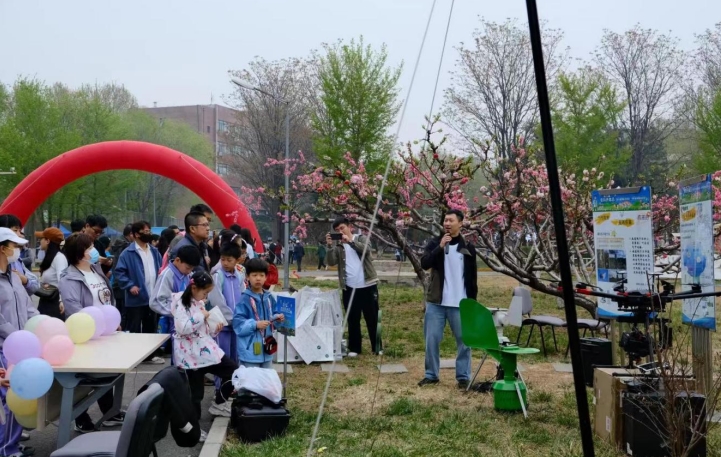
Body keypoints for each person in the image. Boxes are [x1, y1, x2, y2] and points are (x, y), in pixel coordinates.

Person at [58, 233, 124, 432]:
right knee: (83, 380)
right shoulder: (69, 278)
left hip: (105, 332)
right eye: (90, 247)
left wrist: (113, 320)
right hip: (85, 334)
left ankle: (109, 412)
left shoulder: (96, 269)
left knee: (108, 373)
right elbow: (73, 308)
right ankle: (81, 417)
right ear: (79, 253)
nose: (94, 250)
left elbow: (107, 298)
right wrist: (95, 325)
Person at [418, 210, 478, 389]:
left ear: (460, 223)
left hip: (460, 302)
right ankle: (431, 375)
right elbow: (424, 263)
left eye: (451, 220)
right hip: (436, 302)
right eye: (445, 220)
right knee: (432, 339)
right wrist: (440, 247)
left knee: (464, 341)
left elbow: (472, 276)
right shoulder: (435, 243)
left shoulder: (468, 246)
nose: (447, 223)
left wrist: (472, 300)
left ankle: (463, 376)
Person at [172, 270, 237, 426]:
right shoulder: (180, 303)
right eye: (205, 292)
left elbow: (201, 330)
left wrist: (215, 328)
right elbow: (183, 328)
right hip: (190, 356)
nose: (206, 296)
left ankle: (220, 403)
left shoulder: (199, 303)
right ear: (194, 289)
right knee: (195, 394)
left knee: (234, 371)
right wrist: (203, 316)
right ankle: (194, 428)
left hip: (205, 351)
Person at [0, 227, 39, 457]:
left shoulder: (14, 277)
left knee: (15, 398)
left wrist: (37, 330)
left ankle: (10, 446)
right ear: (2, 248)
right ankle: (7, 449)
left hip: (19, 347)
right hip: (5, 346)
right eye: (13, 246)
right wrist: (18, 336)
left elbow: (28, 308)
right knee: (9, 399)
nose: (17, 250)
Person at [326, 218, 381, 357]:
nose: (340, 231)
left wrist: (350, 242)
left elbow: (366, 250)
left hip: (368, 285)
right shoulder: (339, 247)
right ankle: (355, 348)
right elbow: (331, 261)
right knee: (352, 318)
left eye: (342, 228)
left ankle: (377, 346)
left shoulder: (361, 238)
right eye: (337, 230)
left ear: (350, 227)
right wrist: (329, 246)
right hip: (349, 287)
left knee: (373, 317)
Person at [114, 221, 164, 364]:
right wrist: (130, 285)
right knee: (134, 327)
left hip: (152, 296)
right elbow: (119, 273)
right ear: (136, 234)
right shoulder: (127, 253)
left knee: (151, 326)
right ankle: (133, 355)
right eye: (145, 231)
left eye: (149, 230)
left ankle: (149, 355)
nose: (148, 234)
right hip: (136, 297)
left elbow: (160, 269)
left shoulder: (154, 251)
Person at [208, 240, 246, 401]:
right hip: (222, 326)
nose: (225, 263)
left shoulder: (238, 275)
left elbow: (243, 296)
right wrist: (231, 318)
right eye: (223, 259)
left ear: (237, 260)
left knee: (234, 358)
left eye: (229, 260)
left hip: (236, 325)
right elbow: (217, 300)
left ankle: (231, 388)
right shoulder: (218, 275)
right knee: (222, 359)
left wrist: (241, 317)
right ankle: (220, 392)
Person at [151, 245, 201, 358]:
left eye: (192, 268)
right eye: (188, 267)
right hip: (175, 326)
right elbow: (155, 302)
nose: (190, 271)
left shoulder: (186, 274)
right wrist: (177, 312)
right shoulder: (167, 275)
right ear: (178, 260)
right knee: (179, 360)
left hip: (187, 325)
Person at [233, 258, 284, 369]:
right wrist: (255, 325)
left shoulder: (269, 297)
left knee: (265, 382)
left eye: (261, 275)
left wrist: (277, 319)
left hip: (267, 349)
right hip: (250, 351)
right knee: (251, 383)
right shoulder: (244, 299)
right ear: (247, 277)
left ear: (266, 277)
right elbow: (238, 324)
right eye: (254, 275)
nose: (258, 278)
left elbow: (273, 317)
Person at [162, 204, 214, 271]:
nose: (208, 228)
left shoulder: (201, 245)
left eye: (208, 223)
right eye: (204, 224)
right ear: (192, 228)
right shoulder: (182, 246)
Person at [0, 214, 39, 297]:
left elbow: (35, 284)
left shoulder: (17, 260)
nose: (20, 235)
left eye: (19, 231)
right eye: (15, 230)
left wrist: (24, 280)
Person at [35, 227, 68, 319]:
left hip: (55, 303)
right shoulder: (50, 258)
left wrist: (62, 301)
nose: (39, 241)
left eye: (41, 238)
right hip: (46, 299)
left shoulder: (59, 258)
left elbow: (62, 281)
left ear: (47, 241)